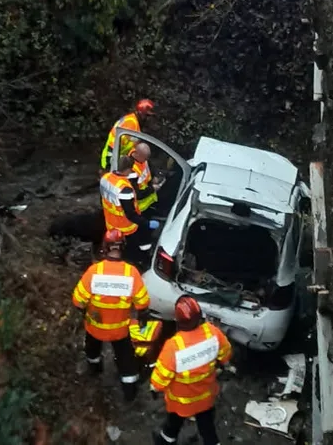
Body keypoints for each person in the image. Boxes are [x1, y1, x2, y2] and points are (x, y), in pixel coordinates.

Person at [71, 228, 150, 403]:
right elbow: (143, 303)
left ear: (104, 248)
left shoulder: (94, 271)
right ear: (123, 248)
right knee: (125, 359)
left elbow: (77, 301)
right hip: (120, 330)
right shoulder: (132, 273)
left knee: (92, 350)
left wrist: (87, 310)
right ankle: (130, 392)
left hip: (95, 328)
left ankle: (95, 371)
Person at [151, 294, 233, 445]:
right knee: (207, 429)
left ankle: (165, 441)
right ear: (199, 316)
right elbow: (226, 355)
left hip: (181, 402)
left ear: (178, 320)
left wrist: (153, 388)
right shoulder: (213, 333)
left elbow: (159, 381)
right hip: (205, 397)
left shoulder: (173, 346)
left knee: (172, 426)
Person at [100, 151, 146, 260]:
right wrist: (146, 223)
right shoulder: (125, 189)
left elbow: (103, 198)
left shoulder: (105, 178)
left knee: (112, 246)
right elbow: (130, 214)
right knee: (129, 251)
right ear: (128, 169)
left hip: (110, 224)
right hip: (125, 228)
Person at [100, 98, 155, 170]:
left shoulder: (133, 121)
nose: (149, 119)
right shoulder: (131, 123)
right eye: (147, 116)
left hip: (116, 157)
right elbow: (133, 145)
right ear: (141, 113)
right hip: (111, 159)